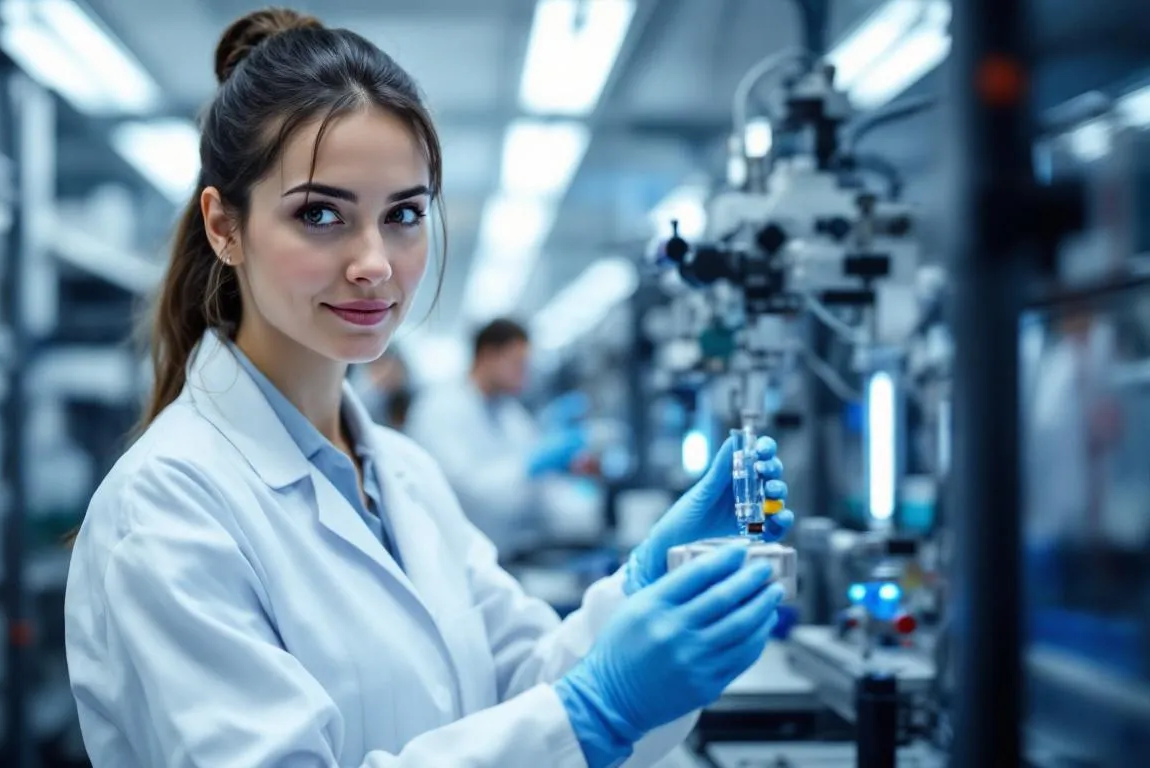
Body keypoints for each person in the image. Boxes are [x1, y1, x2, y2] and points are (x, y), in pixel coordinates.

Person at [63, 8, 795, 768]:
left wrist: (646, 586)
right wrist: (595, 713)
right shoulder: (167, 509)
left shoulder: (405, 477)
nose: (375, 262)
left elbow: (524, 685)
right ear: (225, 226)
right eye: (321, 214)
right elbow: (561, 720)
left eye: (405, 214)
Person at [405, 318, 590, 558]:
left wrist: (570, 481)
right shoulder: (440, 408)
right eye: (517, 364)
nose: (524, 375)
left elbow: (539, 487)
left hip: (501, 551)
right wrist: (529, 466)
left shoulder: (510, 413)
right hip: (450, 554)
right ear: (488, 355)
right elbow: (470, 491)